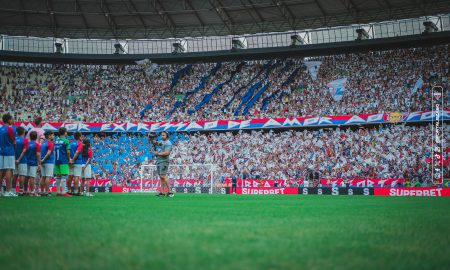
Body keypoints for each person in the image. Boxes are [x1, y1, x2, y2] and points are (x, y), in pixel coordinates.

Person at [151, 131, 174, 197]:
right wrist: (152, 139)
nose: (162, 136)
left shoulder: (168, 143)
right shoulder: (162, 141)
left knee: (163, 176)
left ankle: (170, 192)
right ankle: (162, 192)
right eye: (161, 135)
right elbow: (156, 143)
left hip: (164, 161)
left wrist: (158, 154)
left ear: (167, 136)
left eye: (163, 135)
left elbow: (167, 153)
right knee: (161, 177)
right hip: (159, 160)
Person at [0, 113, 16, 196]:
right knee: (9, 170)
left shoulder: (0, 128)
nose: (13, 120)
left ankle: (0, 191)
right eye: (12, 119)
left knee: (1, 170)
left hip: (1, 151)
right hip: (9, 151)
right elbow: (14, 141)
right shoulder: (10, 129)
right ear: (9, 120)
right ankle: (8, 191)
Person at [54, 127, 72, 196]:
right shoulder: (66, 141)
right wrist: (69, 159)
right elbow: (68, 152)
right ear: (65, 133)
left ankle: (58, 192)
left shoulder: (56, 141)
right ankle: (64, 192)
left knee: (58, 176)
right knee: (64, 176)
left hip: (57, 160)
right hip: (63, 160)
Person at [13, 126, 29, 195]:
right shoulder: (25, 140)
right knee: (22, 175)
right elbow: (24, 150)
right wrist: (19, 159)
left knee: (15, 175)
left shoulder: (14, 139)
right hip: (22, 160)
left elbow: (13, 149)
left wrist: (14, 159)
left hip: (14, 160)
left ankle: (12, 190)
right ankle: (21, 190)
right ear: (23, 132)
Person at [40, 131, 55, 196]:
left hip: (42, 162)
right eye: (52, 135)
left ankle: (42, 191)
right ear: (49, 136)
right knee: (48, 177)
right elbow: (48, 153)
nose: (53, 136)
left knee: (43, 176)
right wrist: (44, 159)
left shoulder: (43, 143)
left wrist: (42, 160)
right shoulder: (50, 143)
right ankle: (46, 192)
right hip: (48, 162)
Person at [26, 131, 41, 196]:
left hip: (26, 162)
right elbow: (38, 155)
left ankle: (25, 190)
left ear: (29, 136)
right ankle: (32, 191)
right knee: (32, 177)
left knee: (26, 177)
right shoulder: (37, 145)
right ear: (36, 137)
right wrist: (39, 163)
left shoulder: (27, 144)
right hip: (33, 162)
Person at [68, 132, 83, 196]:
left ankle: (69, 190)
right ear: (80, 137)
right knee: (76, 176)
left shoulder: (70, 143)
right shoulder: (80, 143)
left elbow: (68, 152)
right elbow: (77, 152)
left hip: (70, 161)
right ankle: (76, 191)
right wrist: (73, 160)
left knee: (70, 176)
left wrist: (70, 160)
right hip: (77, 161)